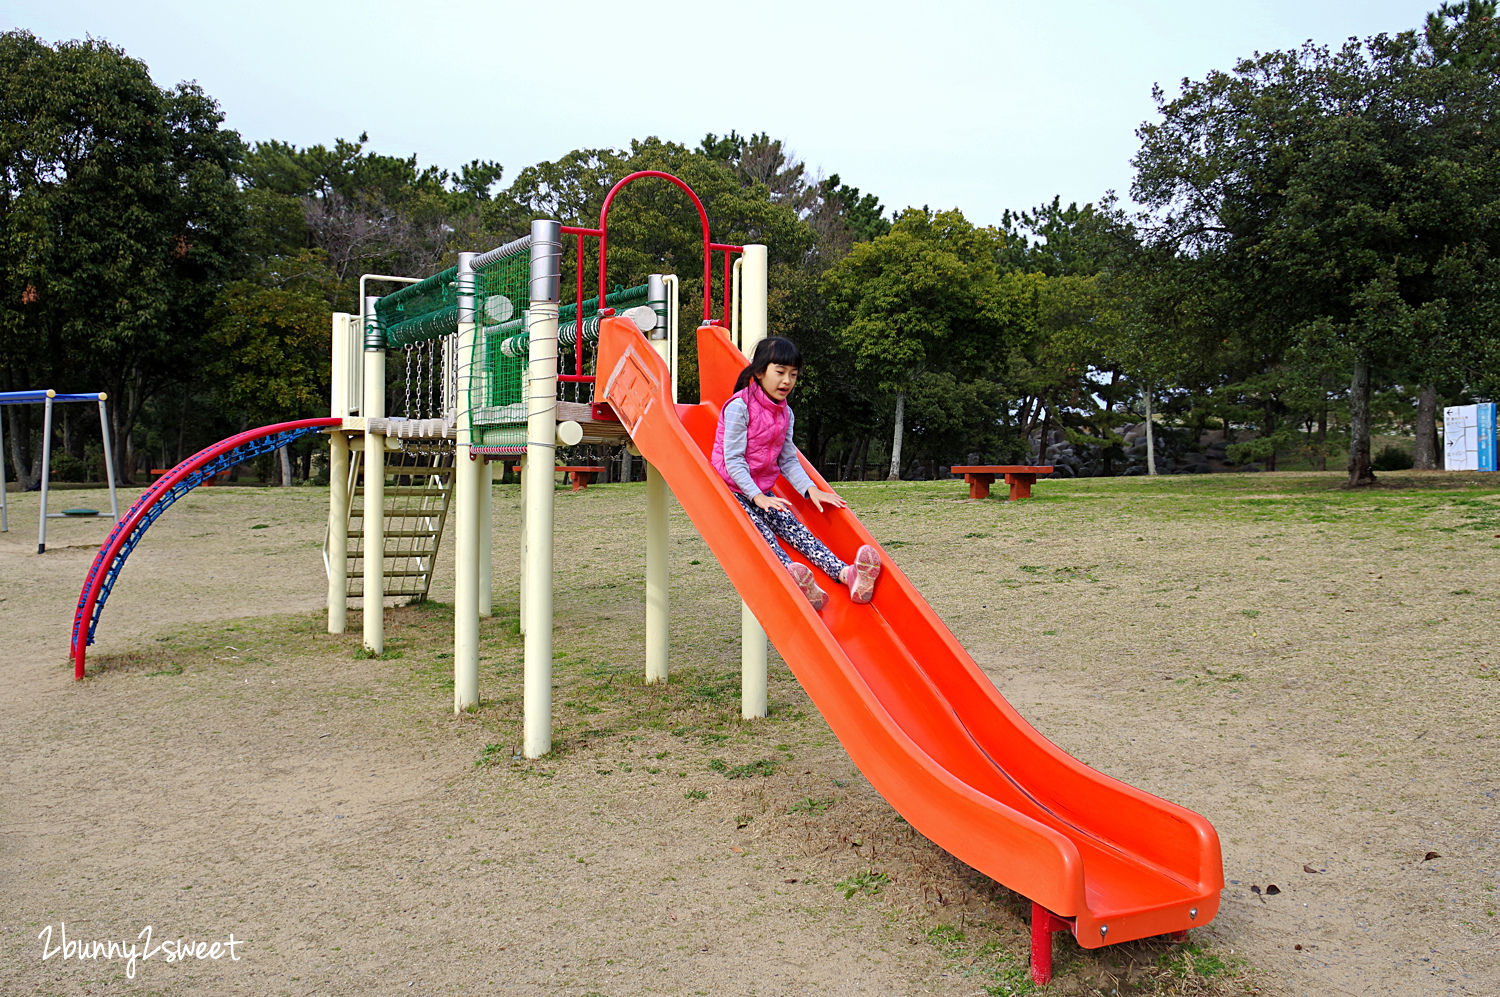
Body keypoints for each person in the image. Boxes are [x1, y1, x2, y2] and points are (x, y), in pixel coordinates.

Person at [710, 336, 881, 610]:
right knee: (762, 537)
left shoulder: (785, 413)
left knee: (797, 530)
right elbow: (733, 460)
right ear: (759, 371)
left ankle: (848, 575)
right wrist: (756, 497)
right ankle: (795, 579)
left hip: (762, 491)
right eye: (779, 372)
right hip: (730, 491)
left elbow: (788, 459)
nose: (787, 381)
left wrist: (810, 489)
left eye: (793, 375)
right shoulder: (738, 407)